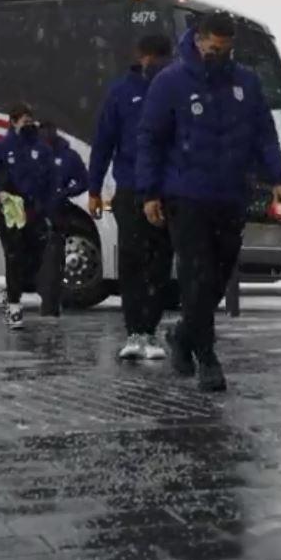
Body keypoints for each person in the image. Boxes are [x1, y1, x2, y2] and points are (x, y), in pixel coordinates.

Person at [135, 11, 281, 392]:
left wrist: (279, 178)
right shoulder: (170, 82)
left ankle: (183, 335)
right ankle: (206, 356)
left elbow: (264, 136)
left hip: (229, 196)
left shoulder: (246, 83)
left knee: (217, 279)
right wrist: (150, 191)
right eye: (211, 47)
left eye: (225, 49)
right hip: (185, 196)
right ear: (199, 39)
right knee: (195, 276)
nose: (216, 54)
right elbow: (150, 138)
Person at [87, 34, 174, 360]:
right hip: (129, 191)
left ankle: (149, 331)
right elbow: (104, 141)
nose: (154, 64)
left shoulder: (173, 88)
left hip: (166, 192)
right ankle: (134, 331)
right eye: (151, 58)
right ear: (140, 57)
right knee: (133, 262)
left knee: (160, 264)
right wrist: (94, 188)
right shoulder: (122, 92)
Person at [0, 102, 57, 329]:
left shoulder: (42, 149)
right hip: (11, 212)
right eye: (24, 121)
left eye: (31, 120)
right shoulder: (2, 148)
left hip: (35, 212)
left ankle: (20, 289)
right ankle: (13, 305)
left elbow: (52, 181)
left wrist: (48, 209)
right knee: (14, 257)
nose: (29, 124)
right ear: (13, 122)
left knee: (34, 258)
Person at [36, 121, 87, 317]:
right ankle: (44, 298)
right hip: (34, 215)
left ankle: (50, 305)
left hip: (57, 215)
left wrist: (64, 192)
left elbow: (83, 180)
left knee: (54, 261)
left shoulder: (68, 157)